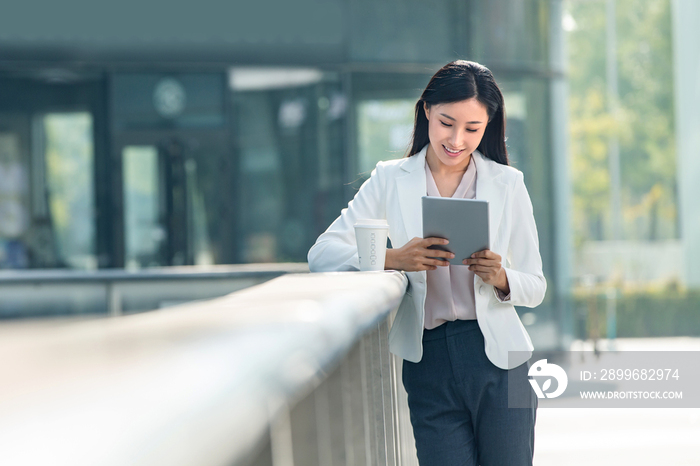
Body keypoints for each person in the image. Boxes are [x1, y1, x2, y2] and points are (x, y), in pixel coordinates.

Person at [308, 60, 545, 466]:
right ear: (426, 113)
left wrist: (501, 276)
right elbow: (322, 254)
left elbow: (536, 286)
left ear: (488, 127)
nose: (456, 139)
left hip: (499, 360)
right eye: (446, 123)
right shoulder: (389, 178)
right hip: (428, 359)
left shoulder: (508, 183)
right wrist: (392, 258)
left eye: (472, 129)